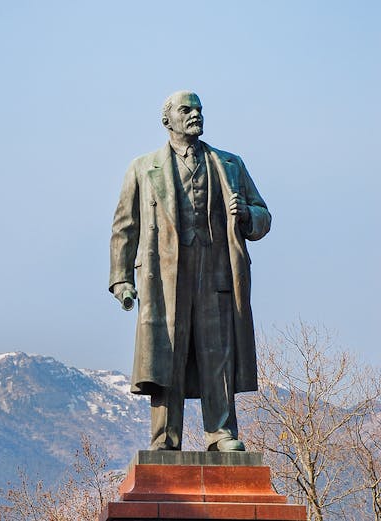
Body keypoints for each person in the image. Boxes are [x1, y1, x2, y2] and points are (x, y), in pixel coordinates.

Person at [109, 91, 271, 451]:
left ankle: (221, 433)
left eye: (199, 108)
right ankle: (165, 439)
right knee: (167, 354)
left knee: (218, 355)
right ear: (168, 120)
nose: (196, 114)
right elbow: (125, 227)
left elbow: (264, 218)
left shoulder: (229, 165)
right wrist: (121, 279)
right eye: (186, 109)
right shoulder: (142, 168)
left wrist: (245, 213)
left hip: (217, 274)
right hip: (164, 279)